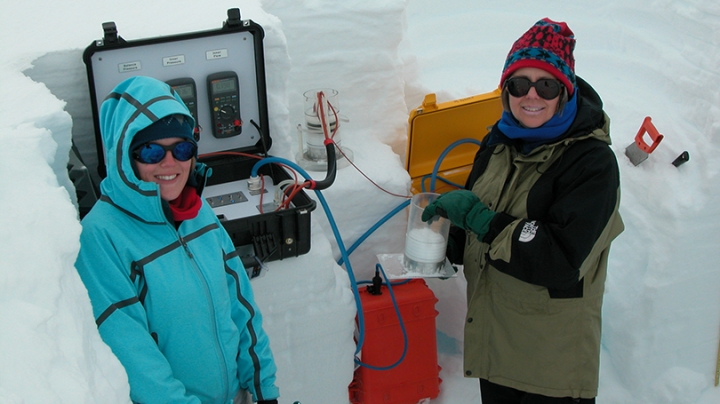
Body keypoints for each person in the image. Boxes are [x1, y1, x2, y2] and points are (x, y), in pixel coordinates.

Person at [422, 18, 624, 403]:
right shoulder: (498, 144)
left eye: (546, 84)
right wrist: (444, 238)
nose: (531, 96)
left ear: (564, 90)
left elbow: (561, 261)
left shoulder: (591, 163)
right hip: (495, 350)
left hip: (549, 368)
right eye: (519, 84)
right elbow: (478, 229)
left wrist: (478, 218)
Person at [75, 76, 279, 404]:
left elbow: (241, 307)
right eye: (151, 151)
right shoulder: (101, 237)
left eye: (182, 148)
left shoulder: (196, 212)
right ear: (125, 157)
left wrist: (263, 389)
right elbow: (134, 357)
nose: (170, 163)